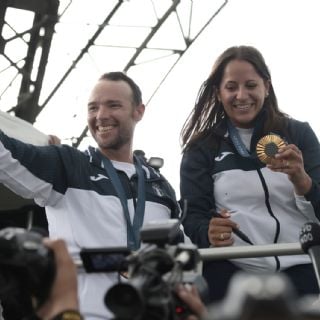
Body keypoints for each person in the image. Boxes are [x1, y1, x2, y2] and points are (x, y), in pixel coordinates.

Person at [0, 71, 181, 319]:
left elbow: (183, 258)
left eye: (113, 105)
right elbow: (6, 154)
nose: (101, 115)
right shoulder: (67, 165)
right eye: (93, 107)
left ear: (138, 111)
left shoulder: (160, 184)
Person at [179, 45, 320, 302]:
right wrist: (207, 231)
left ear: (266, 86)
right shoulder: (201, 147)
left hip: (302, 265)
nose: (241, 95)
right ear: (218, 93)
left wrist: (303, 181)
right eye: (231, 87)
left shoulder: (298, 133)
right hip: (232, 272)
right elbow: (192, 217)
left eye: (251, 85)